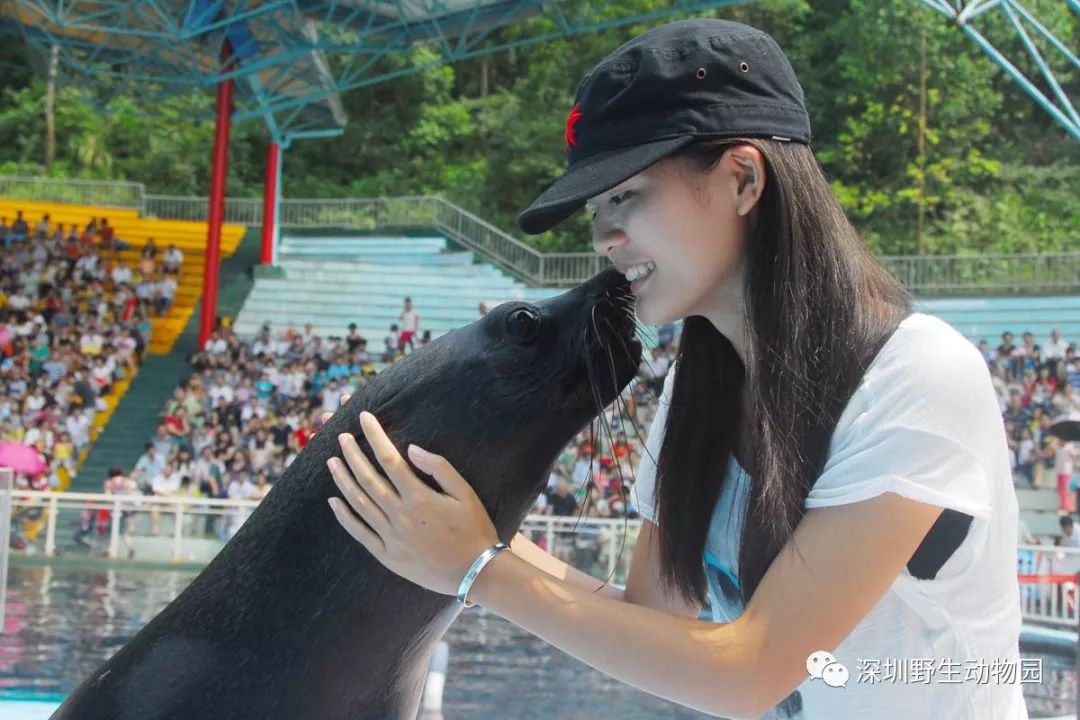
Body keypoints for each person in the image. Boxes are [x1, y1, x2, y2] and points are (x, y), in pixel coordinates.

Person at [322, 20, 1025, 720]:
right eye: (597, 208)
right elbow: (651, 619)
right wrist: (454, 533)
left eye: (625, 196)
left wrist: (481, 569)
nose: (603, 237)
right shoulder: (701, 390)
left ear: (744, 178)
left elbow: (752, 670)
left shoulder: (917, 376)